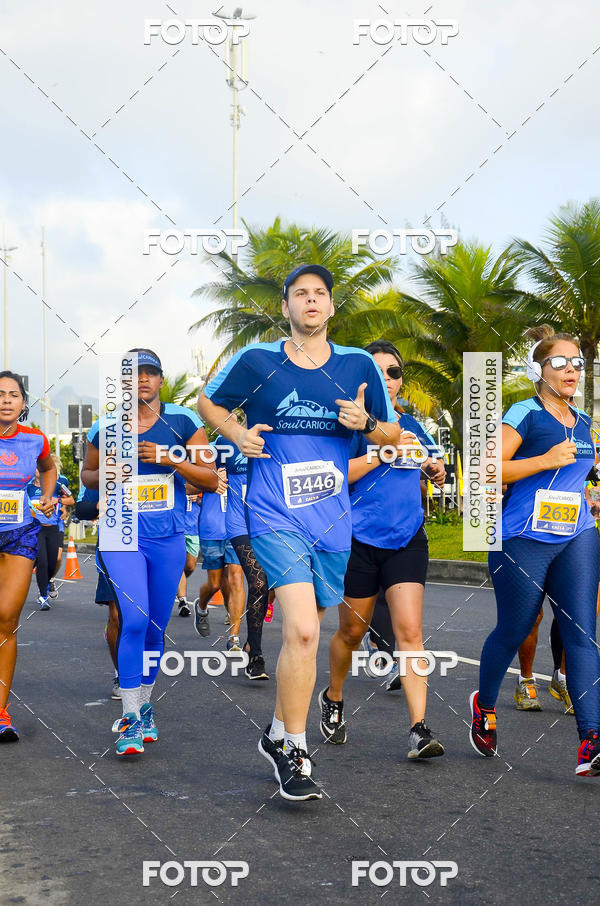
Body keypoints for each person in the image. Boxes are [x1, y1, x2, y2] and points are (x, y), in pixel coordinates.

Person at [198, 264, 402, 801]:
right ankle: (294, 746)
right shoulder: (258, 361)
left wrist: (367, 425)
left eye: (319, 295)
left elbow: (394, 434)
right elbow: (208, 402)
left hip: (332, 521)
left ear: (331, 307)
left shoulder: (359, 365)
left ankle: (274, 733)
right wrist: (238, 432)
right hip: (272, 514)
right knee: (305, 632)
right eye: (300, 295)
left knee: (303, 638)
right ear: (286, 307)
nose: (310, 302)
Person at [470, 326, 600, 776]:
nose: (571, 370)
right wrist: (545, 461)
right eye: (560, 362)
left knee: (582, 632)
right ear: (539, 370)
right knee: (516, 626)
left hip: (577, 534)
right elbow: (486, 469)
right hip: (523, 538)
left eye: (578, 362)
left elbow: (579, 476)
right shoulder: (524, 412)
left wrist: (585, 493)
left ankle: (592, 740)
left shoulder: (584, 422)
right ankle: (484, 706)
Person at [82, 349, 219, 757]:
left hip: (167, 536)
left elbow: (210, 478)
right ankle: (129, 718)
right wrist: (107, 472)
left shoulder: (183, 421)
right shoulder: (105, 426)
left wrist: (170, 458)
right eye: (133, 375)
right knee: (135, 619)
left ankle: (143, 707)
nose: (141, 380)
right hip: (121, 535)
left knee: (156, 629)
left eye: (149, 373)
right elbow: (88, 476)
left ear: (160, 380)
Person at [320, 340, 446, 758]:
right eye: (378, 372)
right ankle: (334, 696)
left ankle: (419, 729)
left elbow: (432, 462)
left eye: (393, 373)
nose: (387, 380)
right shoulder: (347, 428)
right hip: (358, 541)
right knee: (353, 631)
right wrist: (383, 453)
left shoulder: (413, 423)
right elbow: (335, 476)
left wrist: (435, 467)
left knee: (410, 632)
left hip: (408, 538)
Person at [0, 371, 56, 741]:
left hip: (19, 532)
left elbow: (48, 469)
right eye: (0, 393)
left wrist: (48, 495)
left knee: (6, 619)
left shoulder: (36, 440)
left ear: (23, 403)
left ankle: (0, 711)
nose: (6, 399)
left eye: (13, 394)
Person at [221, 419, 271, 680]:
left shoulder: (273, 436)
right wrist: (213, 478)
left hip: (271, 521)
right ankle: (256, 657)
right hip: (240, 523)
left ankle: (253, 640)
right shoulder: (224, 441)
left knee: (268, 588)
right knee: (258, 583)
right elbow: (204, 475)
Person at [194, 440, 245, 647]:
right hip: (212, 527)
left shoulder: (246, 451)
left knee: (236, 577)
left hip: (238, 527)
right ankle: (202, 606)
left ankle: (233, 637)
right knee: (215, 583)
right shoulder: (207, 451)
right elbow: (187, 487)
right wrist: (211, 480)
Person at [75, 484, 121, 700]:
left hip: (152, 541)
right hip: (113, 542)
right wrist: (98, 504)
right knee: (116, 616)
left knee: (146, 619)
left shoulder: (156, 457)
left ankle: (143, 670)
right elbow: (82, 509)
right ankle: (122, 674)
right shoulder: (104, 468)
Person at [27, 468, 73, 609]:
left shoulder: (56, 484)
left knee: (53, 562)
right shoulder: (28, 487)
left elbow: (70, 499)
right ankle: (43, 596)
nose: (37, 469)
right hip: (36, 529)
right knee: (43, 562)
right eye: (35, 467)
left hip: (53, 527)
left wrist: (58, 500)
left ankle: (47, 584)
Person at [175, 487, 201, 617]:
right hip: (177, 528)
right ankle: (183, 602)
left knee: (190, 566)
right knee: (179, 565)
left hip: (193, 528)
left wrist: (198, 498)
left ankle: (174, 580)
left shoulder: (196, 475)